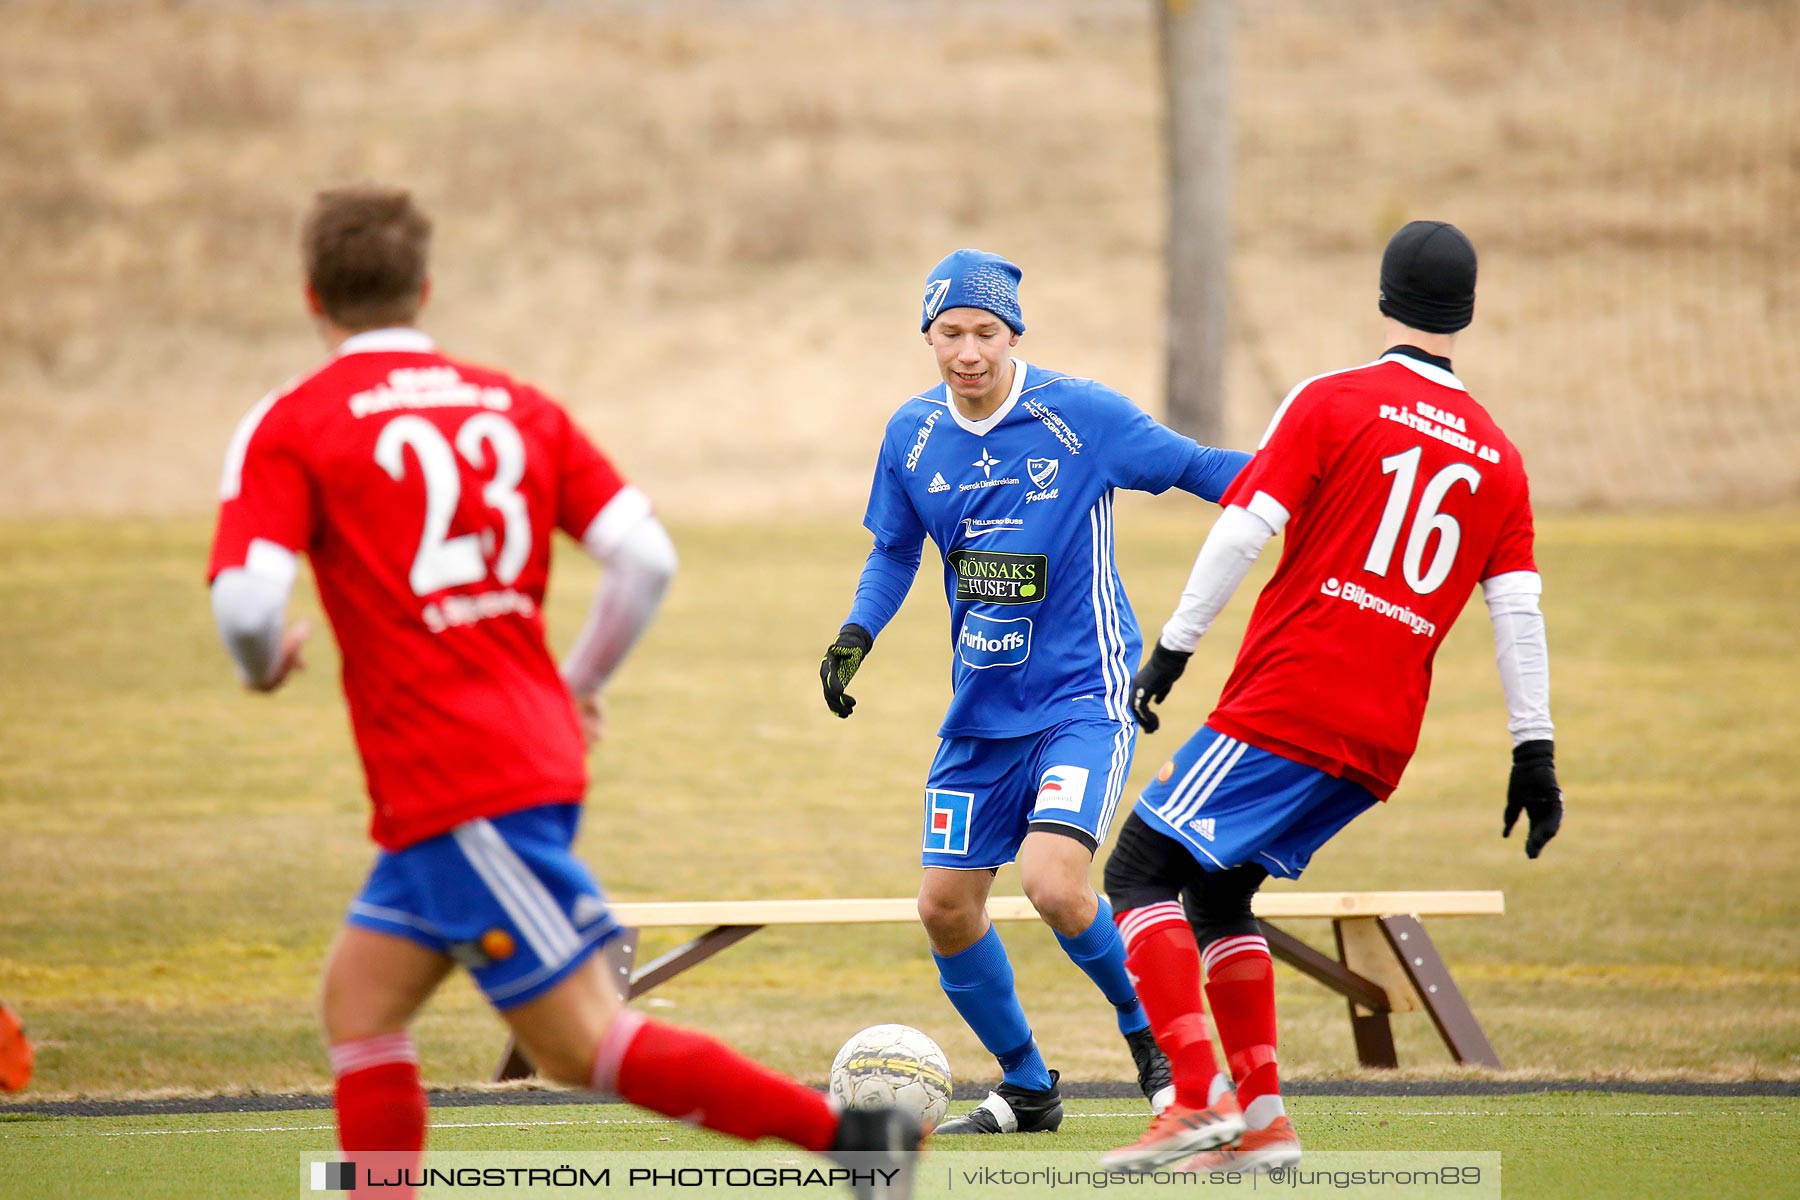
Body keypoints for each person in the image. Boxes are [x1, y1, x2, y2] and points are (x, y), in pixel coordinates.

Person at [209, 184, 917, 1199]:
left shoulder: (291, 422)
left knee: (582, 1046)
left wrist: (261, 664)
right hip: (485, 774)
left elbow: (245, 605)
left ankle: (855, 1143)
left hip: (463, 787)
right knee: (359, 1008)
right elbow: (645, 559)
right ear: (426, 289)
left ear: (312, 295)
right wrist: (574, 682)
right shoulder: (516, 406)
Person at [1098, 221, 1565, 1173]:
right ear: (1465, 313)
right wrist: (1535, 751)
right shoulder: (1500, 458)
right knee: (1221, 892)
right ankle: (1265, 1123)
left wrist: (1172, 651)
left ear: (1385, 296)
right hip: (1379, 742)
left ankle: (1193, 1102)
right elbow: (1518, 612)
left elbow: (1241, 532)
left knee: (1138, 870)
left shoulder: (1332, 400)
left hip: (1289, 702)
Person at [818, 250, 1251, 1135]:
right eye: (950, 334)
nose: (968, 352)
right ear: (929, 336)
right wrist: (859, 630)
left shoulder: (1080, 417)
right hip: (979, 713)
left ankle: (1154, 1046)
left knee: (1053, 881)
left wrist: (1321, 488)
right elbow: (896, 551)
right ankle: (1028, 1085)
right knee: (943, 907)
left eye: (986, 332)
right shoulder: (911, 434)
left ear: (1014, 333)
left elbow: (1203, 469)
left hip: (1082, 700)